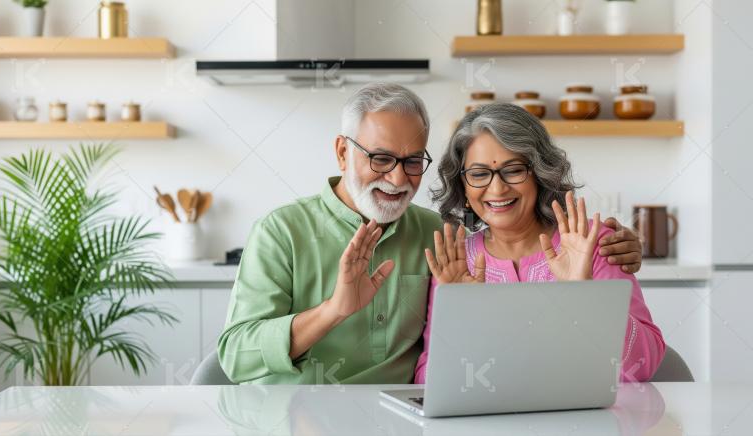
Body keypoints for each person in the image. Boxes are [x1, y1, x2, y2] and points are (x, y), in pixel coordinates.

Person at [218, 83, 644, 384]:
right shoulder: (281, 232)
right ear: (343, 152)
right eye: (381, 158)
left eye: (411, 161)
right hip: (291, 419)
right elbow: (235, 358)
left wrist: (596, 285)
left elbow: (641, 364)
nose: (397, 177)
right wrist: (333, 310)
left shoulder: (442, 238)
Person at [415, 103, 665, 384]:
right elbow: (428, 379)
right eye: (479, 173)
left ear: (540, 172)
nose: (497, 189)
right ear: (462, 184)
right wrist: (461, 323)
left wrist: (586, 296)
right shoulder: (456, 263)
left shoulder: (590, 245)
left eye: (514, 170)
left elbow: (644, 364)